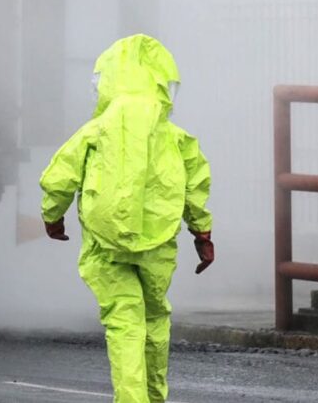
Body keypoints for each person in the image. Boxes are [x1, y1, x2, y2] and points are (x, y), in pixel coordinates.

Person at [39, 34, 214, 403]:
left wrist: (53, 218)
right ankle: (154, 397)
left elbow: (58, 178)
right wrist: (202, 234)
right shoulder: (177, 138)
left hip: (106, 245)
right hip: (159, 243)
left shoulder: (95, 131)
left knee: (123, 321)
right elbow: (195, 187)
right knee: (154, 319)